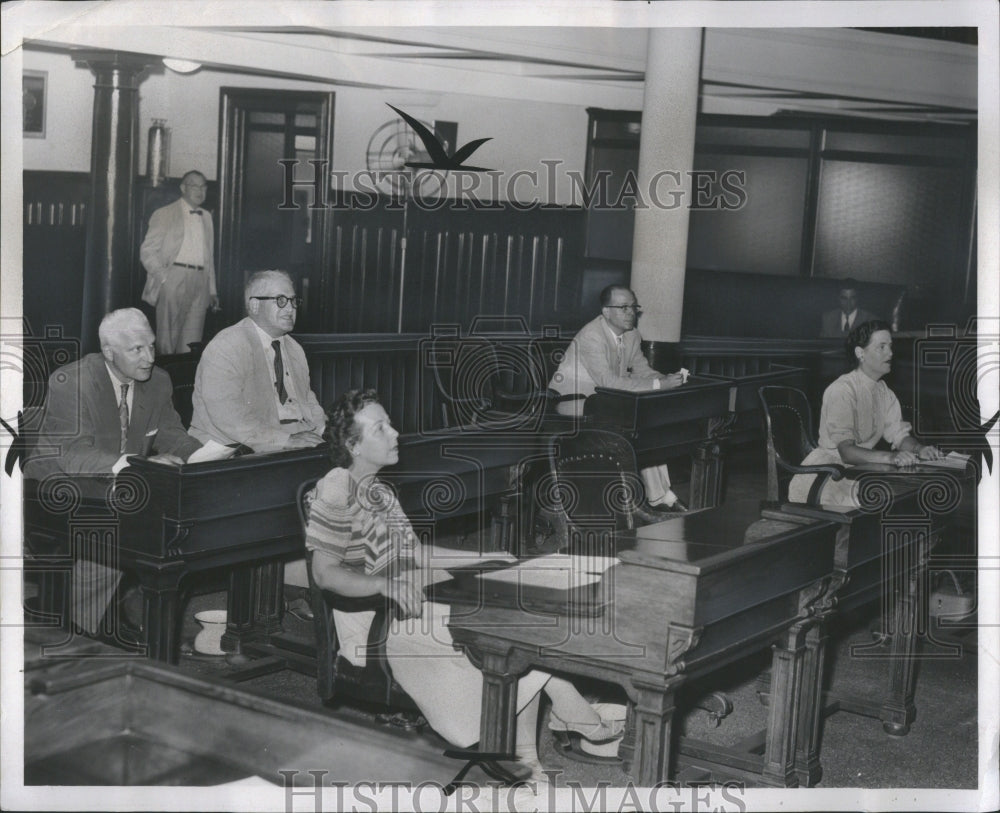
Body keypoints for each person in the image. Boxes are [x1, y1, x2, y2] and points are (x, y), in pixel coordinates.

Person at [305, 389, 624, 780]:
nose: (395, 433)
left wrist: (483, 557)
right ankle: (576, 724)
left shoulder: (381, 492)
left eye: (390, 423)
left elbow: (417, 554)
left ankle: (533, 755)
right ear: (353, 445)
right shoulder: (335, 487)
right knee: (509, 633)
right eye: (381, 428)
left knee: (519, 623)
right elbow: (324, 573)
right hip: (375, 621)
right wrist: (382, 586)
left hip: (415, 600)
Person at [23, 308, 203, 643]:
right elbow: (74, 455)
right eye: (137, 349)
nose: (149, 357)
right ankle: (79, 632)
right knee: (117, 529)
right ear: (108, 352)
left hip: (114, 479)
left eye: (151, 346)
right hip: (53, 480)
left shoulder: (158, 381)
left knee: (157, 514)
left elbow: (170, 433)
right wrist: (138, 464)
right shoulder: (72, 381)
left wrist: (204, 456)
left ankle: (106, 615)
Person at [549, 284, 687, 511]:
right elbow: (608, 383)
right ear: (606, 312)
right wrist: (658, 385)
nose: (631, 312)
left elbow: (642, 370)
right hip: (572, 402)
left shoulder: (632, 335)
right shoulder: (592, 335)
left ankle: (659, 496)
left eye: (633, 307)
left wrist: (665, 380)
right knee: (633, 423)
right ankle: (652, 498)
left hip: (604, 401)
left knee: (647, 423)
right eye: (623, 307)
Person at [789, 320, 943, 506]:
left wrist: (920, 449)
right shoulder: (842, 390)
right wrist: (891, 457)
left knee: (910, 499)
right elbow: (846, 452)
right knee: (882, 510)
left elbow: (899, 437)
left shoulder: (885, 392)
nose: (890, 353)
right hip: (826, 476)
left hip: (859, 473)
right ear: (860, 353)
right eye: (882, 347)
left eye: (890, 346)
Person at [189, 269, 325, 453]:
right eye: (280, 300)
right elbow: (229, 417)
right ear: (254, 306)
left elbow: (308, 402)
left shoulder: (294, 349)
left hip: (292, 442)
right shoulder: (227, 345)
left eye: (293, 301)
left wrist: (323, 432)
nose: (290, 308)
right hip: (234, 450)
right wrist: (285, 440)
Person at [140, 170, 220, 355]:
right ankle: (165, 381)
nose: (200, 191)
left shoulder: (207, 217)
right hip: (173, 277)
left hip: (201, 281)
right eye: (194, 186)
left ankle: (183, 382)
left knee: (192, 342)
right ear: (183, 188)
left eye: (203, 186)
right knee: (167, 341)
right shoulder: (164, 213)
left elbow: (210, 257)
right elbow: (147, 251)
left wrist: (212, 290)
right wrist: (164, 278)